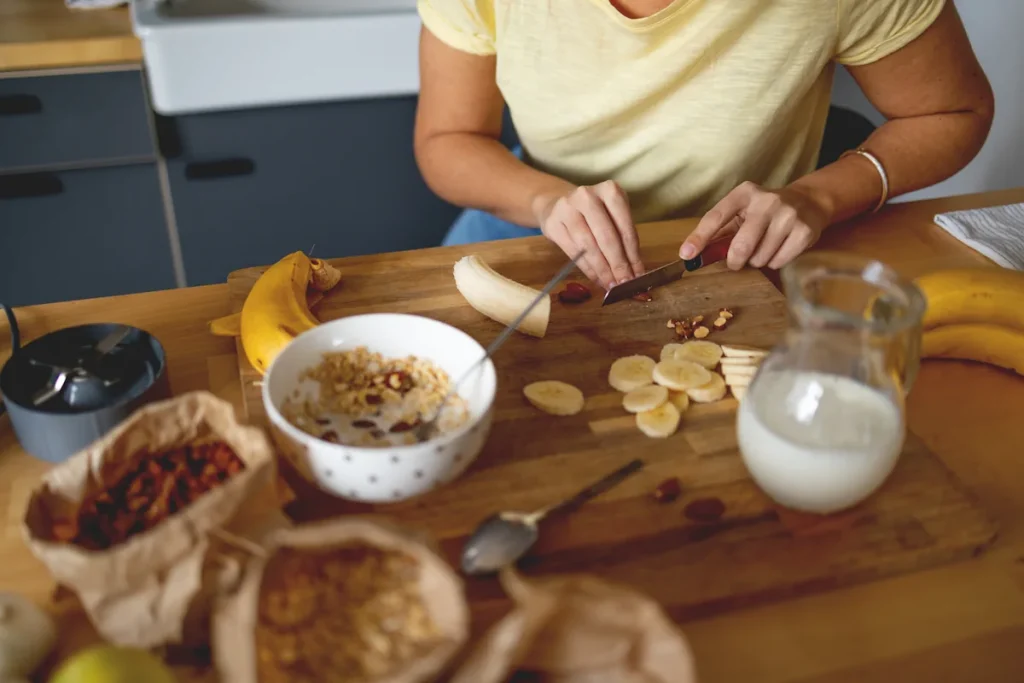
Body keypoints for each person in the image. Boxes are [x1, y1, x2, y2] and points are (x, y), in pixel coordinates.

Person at [413, 0, 994, 290]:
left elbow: (954, 112)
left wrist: (818, 198)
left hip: (746, 257)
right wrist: (543, 202)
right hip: (521, 226)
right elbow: (448, 139)